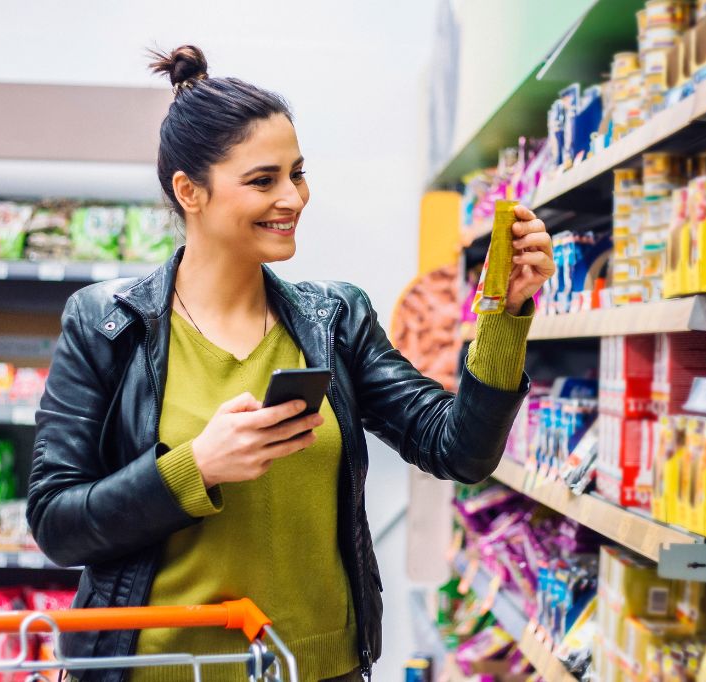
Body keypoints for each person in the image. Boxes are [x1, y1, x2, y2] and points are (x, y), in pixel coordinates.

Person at [27, 45, 556, 682]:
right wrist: (195, 468)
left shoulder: (334, 319)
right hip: (163, 669)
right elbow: (58, 523)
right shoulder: (106, 324)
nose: (293, 198)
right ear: (189, 192)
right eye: (263, 180)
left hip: (317, 668)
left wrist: (506, 315)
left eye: (297, 173)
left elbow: (458, 450)